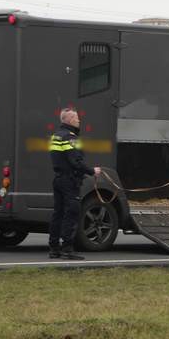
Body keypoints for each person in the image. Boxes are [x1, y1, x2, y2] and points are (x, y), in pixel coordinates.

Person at [48, 107, 100, 260]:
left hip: (58, 179)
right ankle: (67, 249)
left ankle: (54, 248)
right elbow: (75, 161)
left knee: (57, 214)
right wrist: (92, 171)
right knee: (71, 213)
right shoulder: (71, 138)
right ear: (70, 120)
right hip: (70, 181)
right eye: (77, 118)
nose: (79, 121)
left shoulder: (55, 136)